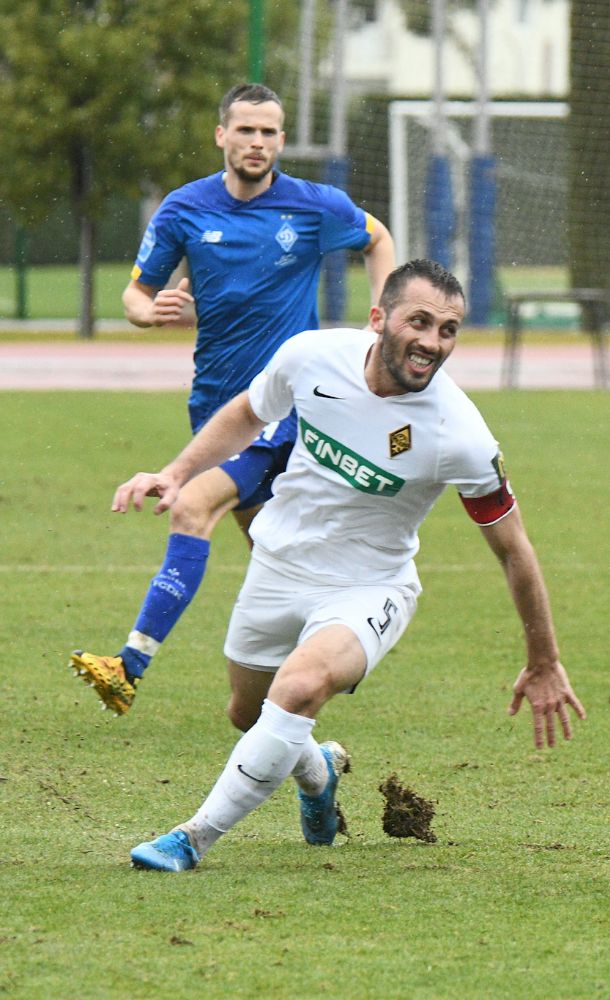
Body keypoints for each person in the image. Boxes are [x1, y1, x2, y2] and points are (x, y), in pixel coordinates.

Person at [114, 259, 586, 871]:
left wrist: (543, 658)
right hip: (279, 564)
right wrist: (176, 473)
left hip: (370, 587)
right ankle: (319, 771)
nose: (431, 342)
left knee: (302, 687)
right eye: (419, 322)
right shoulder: (313, 356)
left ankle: (192, 837)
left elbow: (513, 548)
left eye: (448, 330)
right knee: (248, 715)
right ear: (378, 319)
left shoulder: (460, 433)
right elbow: (246, 414)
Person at [70, 83, 395, 715]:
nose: (257, 142)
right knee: (273, 552)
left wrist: (379, 319)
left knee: (191, 506)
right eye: (245, 130)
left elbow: (377, 238)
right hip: (216, 407)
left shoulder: (312, 205)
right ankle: (330, 649)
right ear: (222, 135)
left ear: (281, 139)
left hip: (285, 410)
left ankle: (128, 666)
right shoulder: (185, 209)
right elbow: (136, 294)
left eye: (269, 132)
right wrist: (148, 311)